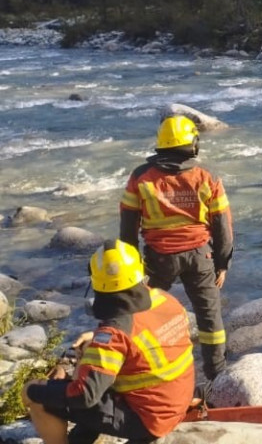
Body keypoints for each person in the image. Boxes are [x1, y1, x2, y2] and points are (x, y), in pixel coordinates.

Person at [22, 240, 194, 444]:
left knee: (40, 398)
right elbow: (141, 335)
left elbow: (85, 396)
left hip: (148, 419)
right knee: (96, 371)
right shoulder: (166, 300)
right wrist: (96, 338)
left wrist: (32, 390)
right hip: (177, 401)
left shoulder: (114, 332)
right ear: (140, 270)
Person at [119, 114, 232, 381]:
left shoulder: (140, 176)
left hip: (158, 258)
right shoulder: (207, 176)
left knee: (141, 311)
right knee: (210, 319)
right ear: (193, 144)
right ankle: (217, 377)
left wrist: (131, 268)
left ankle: (137, 365)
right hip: (200, 256)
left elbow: (128, 227)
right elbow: (223, 226)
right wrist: (222, 263)